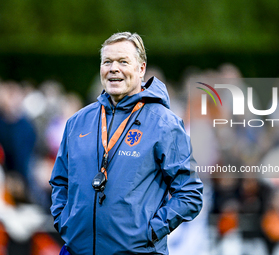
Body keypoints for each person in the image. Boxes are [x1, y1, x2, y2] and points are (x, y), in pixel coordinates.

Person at [49, 32, 203, 255]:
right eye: (107, 62)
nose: (114, 68)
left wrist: (149, 232)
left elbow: (190, 192)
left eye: (123, 61)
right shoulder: (77, 122)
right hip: (76, 250)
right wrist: (65, 222)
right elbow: (60, 181)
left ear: (141, 69)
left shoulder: (164, 124)